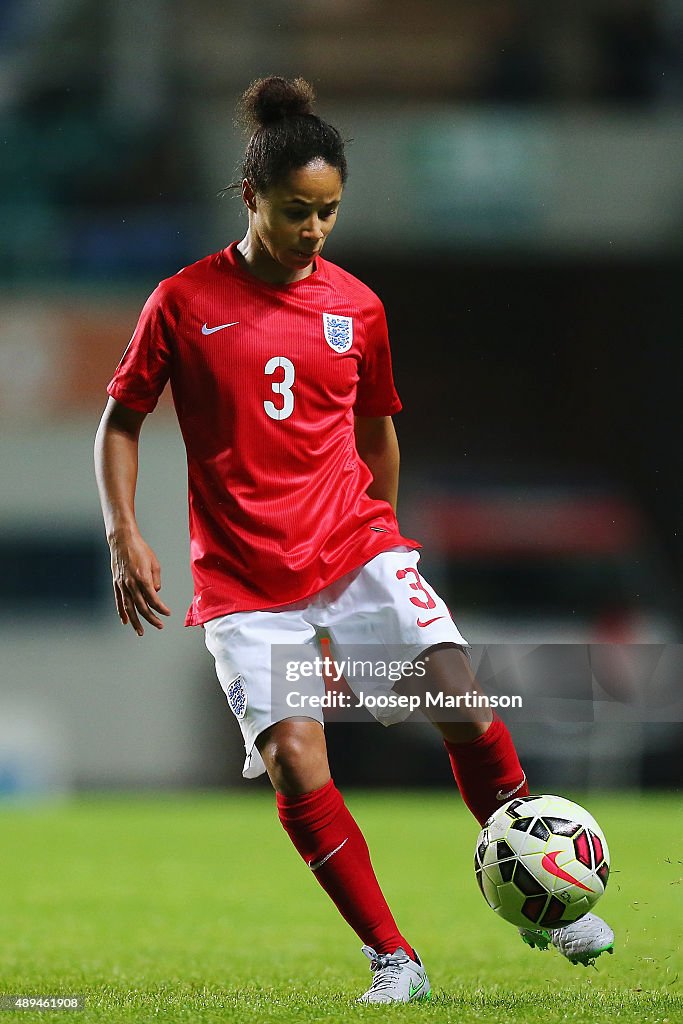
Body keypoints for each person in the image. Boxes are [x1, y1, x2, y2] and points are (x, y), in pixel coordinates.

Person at [94, 75, 614, 1003]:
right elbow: (121, 421)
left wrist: (387, 540)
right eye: (297, 211)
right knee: (298, 760)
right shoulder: (181, 302)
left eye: (329, 213)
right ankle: (393, 957)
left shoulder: (358, 308)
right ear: (252, 197)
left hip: (353, 546)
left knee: (457, 688)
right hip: (246, 580)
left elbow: (377, 428)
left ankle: (554, 895)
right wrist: (122, 531)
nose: (314, 230)